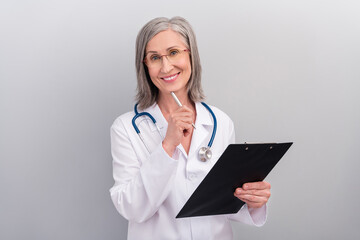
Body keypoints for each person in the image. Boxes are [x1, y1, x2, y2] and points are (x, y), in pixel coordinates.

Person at [110, 16, 271, 240]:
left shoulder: (220, 122)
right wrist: (167, 145)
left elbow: (225, 200)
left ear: (190, 54)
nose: (166, 67)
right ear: (144, 65)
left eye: (174, 52)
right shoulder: (126, 128)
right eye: (155, 57)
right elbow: (132, 208)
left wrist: (253, 200)